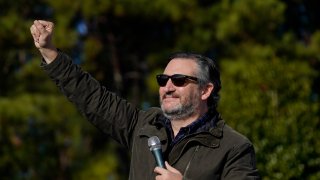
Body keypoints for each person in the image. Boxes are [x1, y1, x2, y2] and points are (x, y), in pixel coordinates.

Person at [30, 20, 260, 180]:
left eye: (179, 80)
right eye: (163, 79)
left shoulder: (234, 147)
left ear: (205, 90)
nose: (168, 87)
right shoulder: (144, 125)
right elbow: (93, 98)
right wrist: (51, 53)